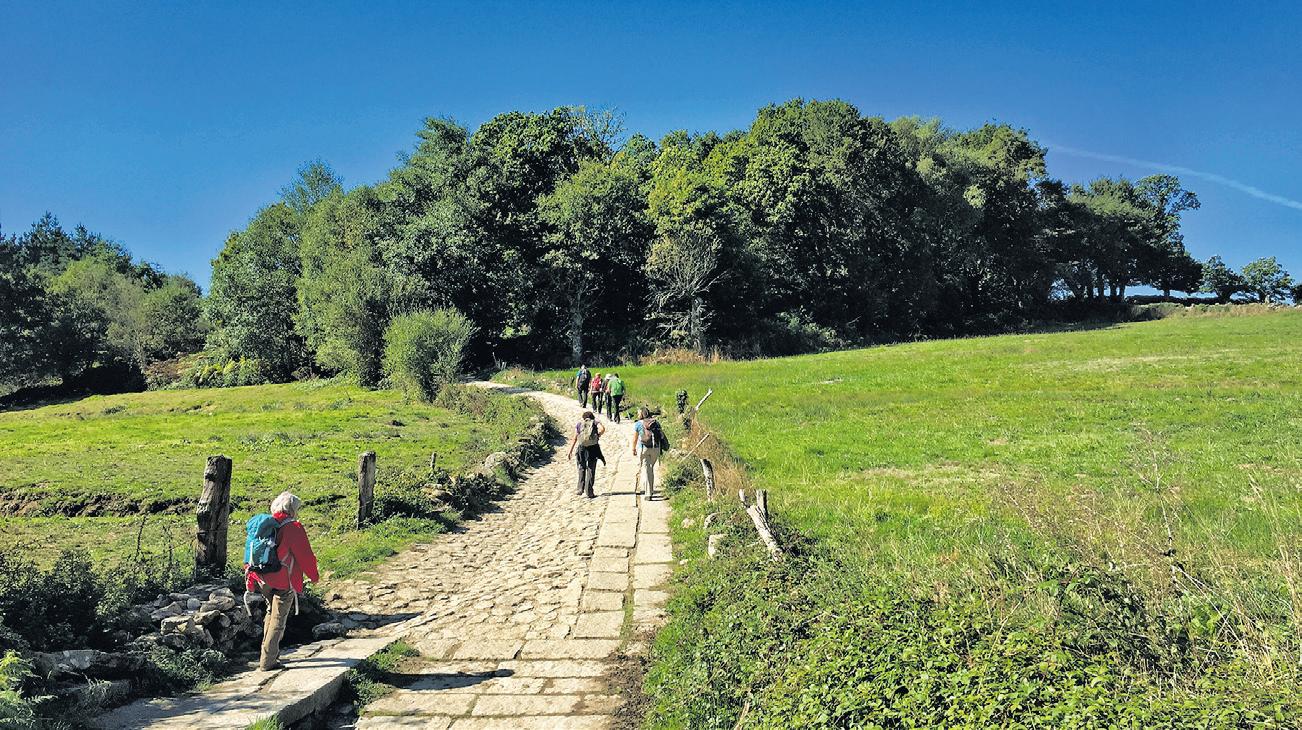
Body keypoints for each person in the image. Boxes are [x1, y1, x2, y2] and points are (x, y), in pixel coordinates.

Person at [245, 491, 319, 671]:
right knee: (278, 619)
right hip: (283, 580)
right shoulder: (293, 527)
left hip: (262, 578)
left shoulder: (263, 525)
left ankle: (268, 654)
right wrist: (314, 576)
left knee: (271, 613)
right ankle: (268, 661)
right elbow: (305, 556)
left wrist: (250, 580)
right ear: (292, 509)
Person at [567, 410, 606, 498]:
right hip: (593, 448)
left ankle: (580, 488)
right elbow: (603, 429)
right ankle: (589, 491)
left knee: (581, 467)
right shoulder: (595, 422)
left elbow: (575, 438)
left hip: (582, 448)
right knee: (591, 469)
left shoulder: (579, 424)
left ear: (584, 418)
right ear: (592, 417)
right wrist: (598, 435)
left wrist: (570, 451)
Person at [631, 407, 666, 501]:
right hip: (655, 448)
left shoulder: (638, 424)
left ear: (641, 414)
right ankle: (650, 489)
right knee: (650, 468)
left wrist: (633, 449)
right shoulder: (656, 422)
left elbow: (635, 438)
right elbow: (662, 435)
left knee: (646, 469)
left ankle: (648, 493)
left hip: (643, 448)